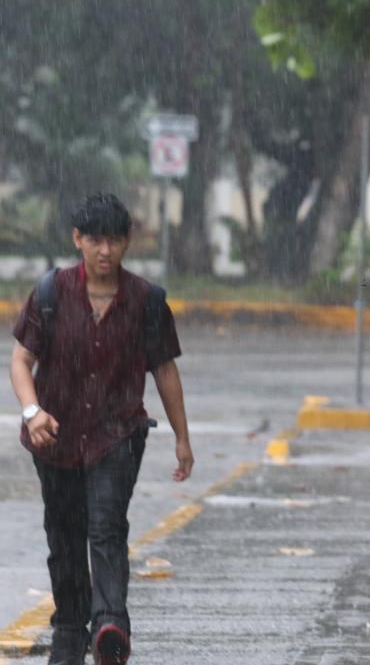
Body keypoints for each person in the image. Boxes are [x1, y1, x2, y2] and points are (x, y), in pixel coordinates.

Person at [8, 193, 192, 665]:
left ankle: (110, 625)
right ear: (78, 240)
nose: (104, 251)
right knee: (64, 536)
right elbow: (21, 360)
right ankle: (70, 630)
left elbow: (165, 370)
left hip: (117, 436)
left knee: (107, 528)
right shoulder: (51, 293)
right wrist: (33, 412)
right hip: (57, 437)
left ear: (128, 241)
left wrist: (182, 439)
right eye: (94, 240)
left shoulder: (147, 302)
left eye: (113, 240)